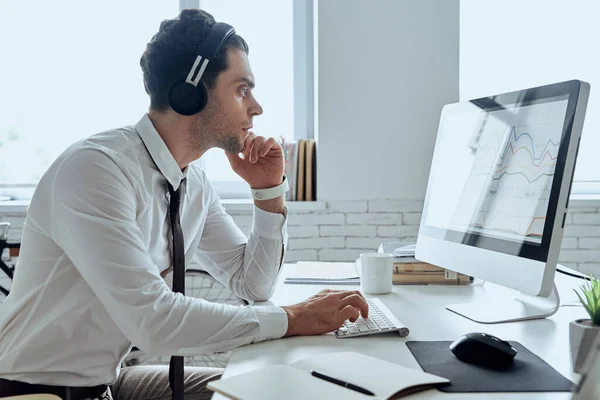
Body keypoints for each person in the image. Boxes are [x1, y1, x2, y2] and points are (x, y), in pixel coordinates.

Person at [0, 8, 369, 400]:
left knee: (264, 390)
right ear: (191, 91)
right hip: (33, 391)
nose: (256, 107)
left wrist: (268, 192)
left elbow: (252, 284)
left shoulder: (191, 181)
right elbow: (153, 322)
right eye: (242, 89)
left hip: (105, 384)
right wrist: (292, 318)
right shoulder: (96, 170)